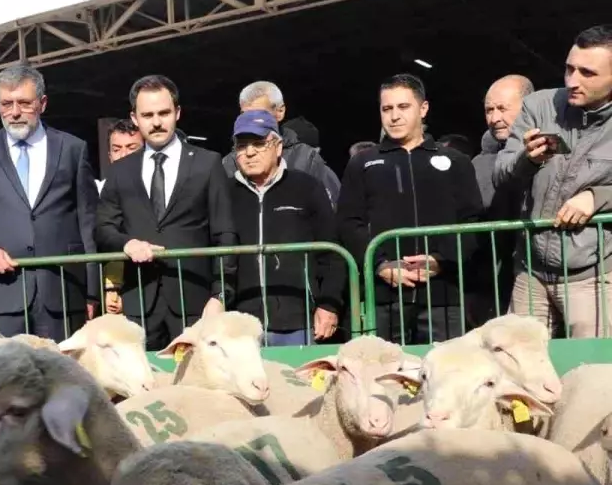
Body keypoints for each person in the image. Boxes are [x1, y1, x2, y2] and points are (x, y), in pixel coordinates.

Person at [0, 63, 100, 341]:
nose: (15, 112)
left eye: (24, 103)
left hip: (63, 293)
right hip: (3, 295)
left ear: (42, 103)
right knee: (6, 380)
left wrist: (91, 290)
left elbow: (88, 221)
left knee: (63, 378)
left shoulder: (73, 149)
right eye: (6, 104)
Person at [337, 73, 484, 344]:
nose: (394, 116)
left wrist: (442, 260)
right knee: (384, 376)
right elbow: (349, 222)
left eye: (403, 107)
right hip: (383, 297)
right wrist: (380, 265)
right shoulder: (362, 164)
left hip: (443, 295)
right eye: (386, 108)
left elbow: (472, 221)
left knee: (447, 374)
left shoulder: (455, 161)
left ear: (423, 108)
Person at [95, 74, 237, 350]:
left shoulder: (207, 164)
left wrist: (220, 296)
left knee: (195, 388)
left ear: (178, 113)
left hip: (195, 302)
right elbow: (103, 228)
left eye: (164, 113)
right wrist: (128, 243)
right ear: (134, 118)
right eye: (147, 114)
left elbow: (225, 233)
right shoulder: (121, 171)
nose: (157, 122)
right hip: (139, 302)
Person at [496, 25, 612, 337]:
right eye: (569, 68)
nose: (573, 81)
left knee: (592, 372)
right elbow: (500, 173)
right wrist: (527, 159)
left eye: (588, 73)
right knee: (516, 370)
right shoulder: (539, 106)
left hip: (593, 277)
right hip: (529, 274)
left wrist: (598, 197)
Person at [225, 110, 343, 346]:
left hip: (299, 321)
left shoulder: (307, 187)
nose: (249, 152)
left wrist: (329, 304)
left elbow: (332, 253)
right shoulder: (223, 193)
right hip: (240, 324)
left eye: (259, 143)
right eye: (242, 145)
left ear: (278, 147)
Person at [468, 74, 535, 325]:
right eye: (489, 110)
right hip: (491, 278)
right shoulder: (478, 164)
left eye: (502, 109)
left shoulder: (556, 151)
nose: (495, 118)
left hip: (546, 271)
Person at [223, 81, 341, 207]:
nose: (252, 120)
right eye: (245, 114)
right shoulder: (229, 163)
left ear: (280, 111)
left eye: (261, 114)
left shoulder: (307, 159)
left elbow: (332, 210)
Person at [98, 119, 142, 315]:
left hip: (144, 289)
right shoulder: (96, 192)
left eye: (131, 147)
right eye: (117, 149)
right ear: (109, 155)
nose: (124, 155)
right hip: (107, 290)